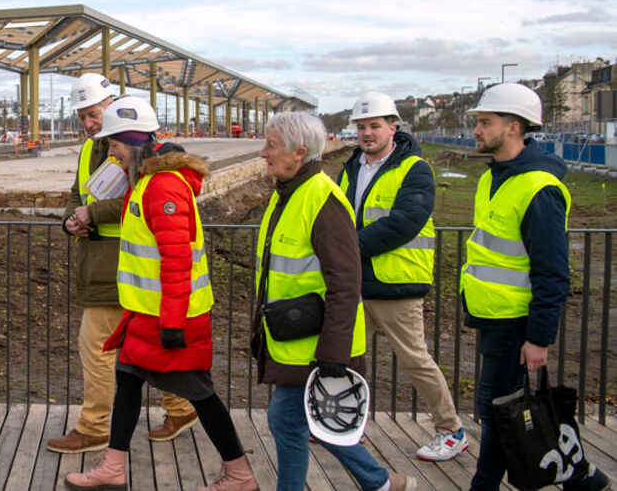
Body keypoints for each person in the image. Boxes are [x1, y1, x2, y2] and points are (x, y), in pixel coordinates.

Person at [65, 96, 258, 491]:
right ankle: (113, 467)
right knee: (127, 384)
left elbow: (177, 260)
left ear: (133, 142)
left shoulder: (163, 187)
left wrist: (172, 324)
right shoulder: (144, 182)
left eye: (116, 145)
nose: (112, 154)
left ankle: (239, 474)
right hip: (145, 315)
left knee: (200, 395)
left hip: (172, 319)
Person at [253, 111, 415, 491]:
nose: (263, 153)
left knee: (287, 421)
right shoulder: (290, 193)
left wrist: (334, 355)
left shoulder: (321, 199)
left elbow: (346, 282)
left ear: (299, 152)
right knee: (298, 421)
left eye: (271, 145)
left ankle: (377, 482)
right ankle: (378, 482)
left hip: (316, 345)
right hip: (294, 337)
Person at [463, 83, 610, 491]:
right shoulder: (494, 178)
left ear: (513, 127)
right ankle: (581, 476)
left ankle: (485, 485)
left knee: (498, 411)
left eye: (484, 121)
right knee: (502, 409)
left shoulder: (537, 189)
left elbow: (553, 272)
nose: (476, 129)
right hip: (493, 316)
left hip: (515, 321)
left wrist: (540, 338)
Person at [49, 74, 197, 454]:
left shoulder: (134, 148)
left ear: (112, 104)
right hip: (101, 263)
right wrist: (71, 219)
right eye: (83, 116)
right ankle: (181, 407)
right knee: (141, 343)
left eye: (94, 114)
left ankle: (95, 426)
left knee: (95, 344)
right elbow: (77, 192)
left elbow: (140, 195)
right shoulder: (90, 149)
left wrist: (89, 213)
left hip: (124, 265)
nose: (88, 124)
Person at [338, 91, 467, 461]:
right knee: (346, 359)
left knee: (415, 360)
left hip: (396, 285)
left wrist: (346, 250)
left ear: (393, 127)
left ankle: (451, 429)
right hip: (357, 282)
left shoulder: (415, 169)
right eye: (361, 127)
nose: (367, 133)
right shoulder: (352, 167)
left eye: (374, 125)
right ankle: (346, 426)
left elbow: (404, 223)